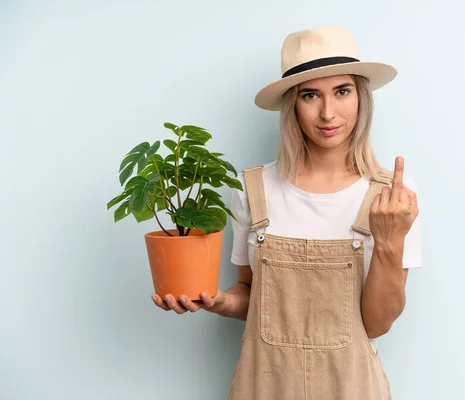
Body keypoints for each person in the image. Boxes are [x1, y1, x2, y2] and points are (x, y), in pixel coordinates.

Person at [152, 25, 423, 399]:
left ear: (361, 97)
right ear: (292, 105)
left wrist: (390, 241)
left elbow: (378, 323)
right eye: (311, 95)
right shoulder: (253, 190)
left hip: (352, 388)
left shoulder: (392, 199)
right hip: (264, 386)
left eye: (342, 92)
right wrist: (221, 301)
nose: (328, 112)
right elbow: (252, 294)